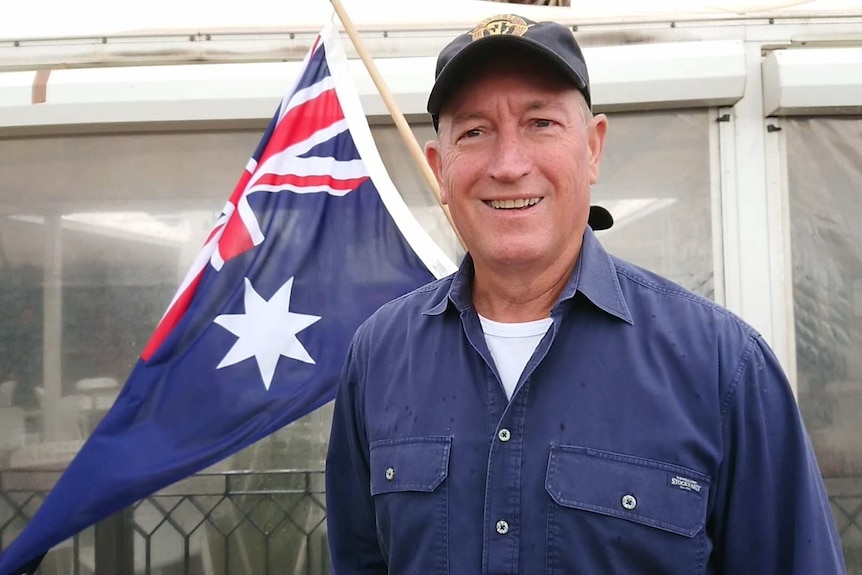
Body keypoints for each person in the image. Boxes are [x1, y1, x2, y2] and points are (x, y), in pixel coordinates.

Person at [324, 13, 846, 575]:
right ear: (439, 168)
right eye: (474, 132)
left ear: (593, 148)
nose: (509, 164)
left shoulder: (724, 367)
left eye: (541, 123)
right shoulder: (378, 358)